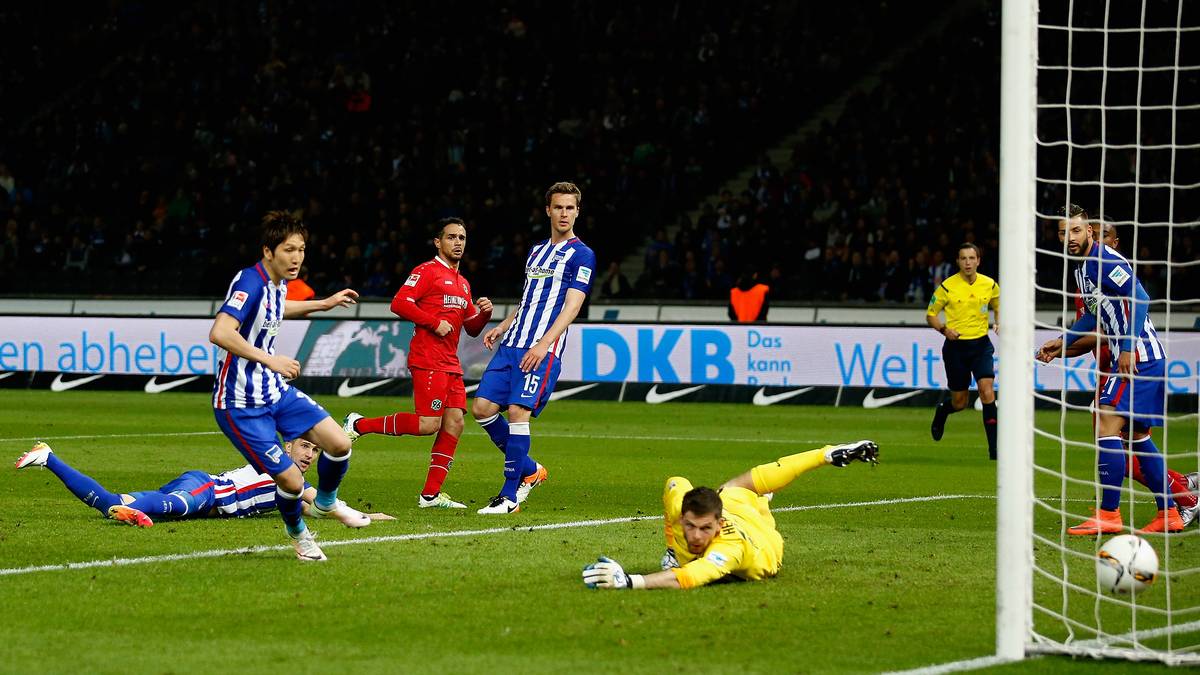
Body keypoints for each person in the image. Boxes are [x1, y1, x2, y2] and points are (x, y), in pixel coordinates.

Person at [209, 210, 361, 561]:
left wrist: (323, 304)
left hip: (273, 391)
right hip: (239, 403)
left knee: (339, 444)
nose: (297, 258)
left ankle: (324, 504)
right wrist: (269, 359)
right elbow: (220, 332)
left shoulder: (277, 284)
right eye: (289, 250)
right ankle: (300, 536)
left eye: (302, 249)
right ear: (268, 252)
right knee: (292, 482)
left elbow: (277, 308)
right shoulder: (249, 281)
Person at [1036, 220, 1199, 527]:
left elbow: (1142, 299)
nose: (1069, 237)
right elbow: (1093, 319)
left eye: (1075, 230)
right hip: (1140, 359)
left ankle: (1109, 514)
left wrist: (1125, 348)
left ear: (1089, 233)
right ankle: (1170, 513)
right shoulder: (1082, 271)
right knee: (1137, 438)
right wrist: (1062, 342)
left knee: (1106, 418)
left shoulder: (1105, 260)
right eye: (1063, 232)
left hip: (1138, 357)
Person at [581, 440, 879, 590]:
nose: (696, 536)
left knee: (745, 489)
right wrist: (674, 547)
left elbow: (693, 576)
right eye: (690, 526)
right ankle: (767, 493)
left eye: (705, 528)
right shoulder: (685, 508)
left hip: (765, 546)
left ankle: (766, 499)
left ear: (718, 524)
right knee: (734, 488)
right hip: (735, 505)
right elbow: (674, 483)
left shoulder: (729, 548)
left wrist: (632, 581)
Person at [343, 218, 493, 509]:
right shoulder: (427, 272)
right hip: (427, 359)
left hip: (450, 363)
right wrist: (433, 322)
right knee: (427, 425)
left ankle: (430, 495)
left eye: (462, 237)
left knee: (455, 422)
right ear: (438, 242)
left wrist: (484, 314)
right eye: (451, 237)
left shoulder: (463, 284)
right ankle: (359, 424)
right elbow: (399, 302)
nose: (458, 242)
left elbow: (472, 328)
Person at [471, 182, 596, 515]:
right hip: (512, 344)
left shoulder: (582, 255)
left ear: (577, 212)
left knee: (517, 413)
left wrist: (544, 343)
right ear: (548, 211)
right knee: (482, 409)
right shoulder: (536, 251)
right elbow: (528, 300)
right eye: (559, 207)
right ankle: (529, 470)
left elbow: (572, 306)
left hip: (542, 348)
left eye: (570, 208)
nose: (564, 213)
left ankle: (509, 496)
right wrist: (502, 325)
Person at [13, 439, 393, 527]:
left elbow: (315, 509)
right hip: (207, 489)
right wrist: (362, 517)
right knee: (178, 507)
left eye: (316, 450)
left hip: (203, 493)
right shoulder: (279, 466)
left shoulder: (291, 485)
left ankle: (48, 457)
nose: (310, 455)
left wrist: (367, 518)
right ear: (288, 446)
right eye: (305, 447)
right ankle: (125, 511)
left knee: (111, 500)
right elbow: (325, 503)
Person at [926, 243, 1000, 459]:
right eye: (963, 258)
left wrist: (998, 321)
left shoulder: (990, 284)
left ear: (978, 260)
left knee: (987, 391)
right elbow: (931, 314)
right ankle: (943, 410)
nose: (968, 262)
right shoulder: (947, 287)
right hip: (956, 349)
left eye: (971, 258)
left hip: (981, 346)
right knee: (960, 403)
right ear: (958, 262)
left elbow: (999, 304)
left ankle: (994, 450)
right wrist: (944, 329)